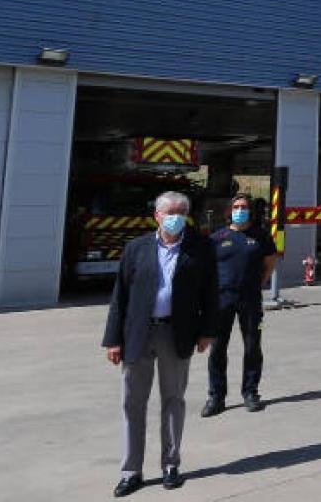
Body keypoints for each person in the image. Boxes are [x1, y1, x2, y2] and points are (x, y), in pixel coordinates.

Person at [102, 191, 218, 496]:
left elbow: (211, 294)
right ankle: (131, 470)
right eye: (170, 212)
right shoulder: (136, 249)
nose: (176, 217)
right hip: (138, 335)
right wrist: (113, 339)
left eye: (182, 212)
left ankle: (170, 464)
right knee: (132, 403)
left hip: (176, 334)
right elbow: (120, 297)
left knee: (173, 400)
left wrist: (207, 331)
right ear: (157, 215)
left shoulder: (201, 248)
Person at [201, 194, 278, 417]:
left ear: (250, 210)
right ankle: (216, 396)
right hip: (222, 300)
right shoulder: (217, 237)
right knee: (218, 348)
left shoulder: (261, 236)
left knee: (252, 346)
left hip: (250, 300)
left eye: (244, 206)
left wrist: (256, 284)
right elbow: (208, 269)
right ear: (230, 210)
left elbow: (269, 262)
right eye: (236, 206)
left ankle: (251, 393)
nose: (240, 209)